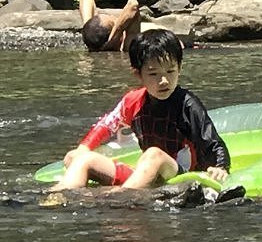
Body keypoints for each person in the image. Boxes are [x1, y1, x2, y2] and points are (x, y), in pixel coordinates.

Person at [53, 29, 230, 190]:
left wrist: (220, 166)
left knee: (154, 154)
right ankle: (57, 198)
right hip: (147, 172)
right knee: (77, 158)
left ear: (179, 69)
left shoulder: (187, 104)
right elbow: (107, 125)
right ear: (138, 74)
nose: (164, 81)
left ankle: (120, 198)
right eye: (154, 74)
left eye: (170, 71)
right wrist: (84, 148)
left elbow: (212, 141)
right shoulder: (134, 101)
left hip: (179, 173)